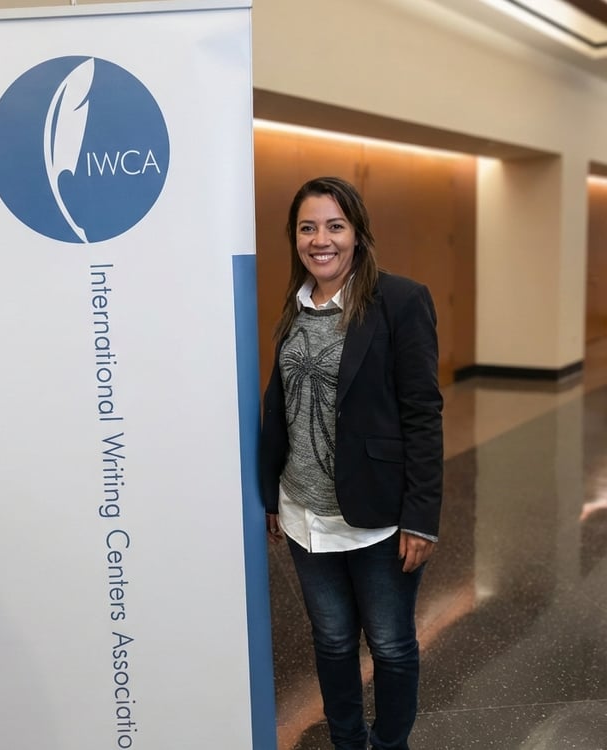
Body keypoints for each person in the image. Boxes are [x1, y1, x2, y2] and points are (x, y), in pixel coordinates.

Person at [260, 176, 443, 750]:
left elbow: (423, 414)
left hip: (377, 517)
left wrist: (421, 518)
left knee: (390, 645)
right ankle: (347, 742)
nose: (321, 240)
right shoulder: (294, 307)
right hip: (304, 515)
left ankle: (389, 745)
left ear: (358, 234)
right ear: (294, 238)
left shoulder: (400, 301)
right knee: (333, 642)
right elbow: (282, 406)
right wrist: (272, 494)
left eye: (335, 226)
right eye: (307, 228)